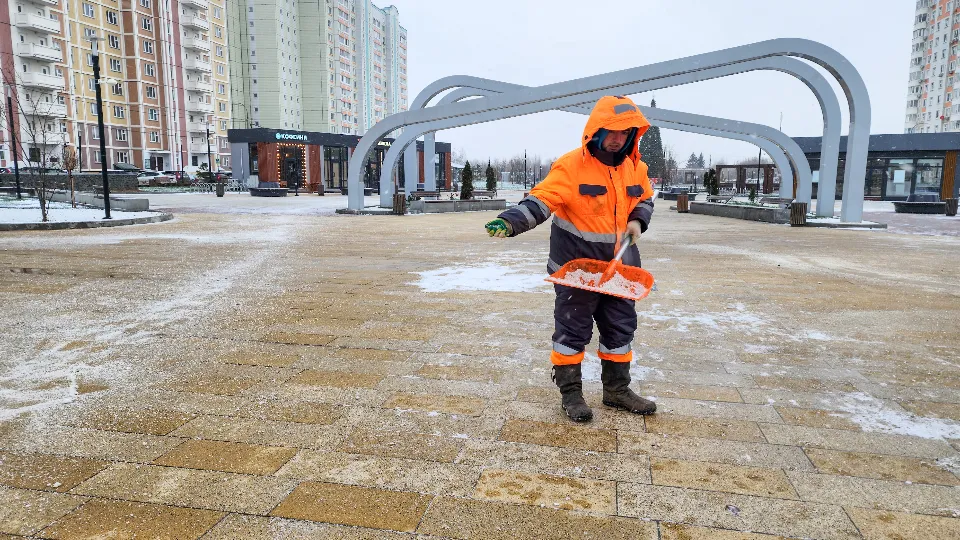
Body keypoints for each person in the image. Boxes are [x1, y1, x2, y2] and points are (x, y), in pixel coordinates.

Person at [485, 95, 656, 423]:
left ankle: (617, 390)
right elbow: (542, 200)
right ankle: (571, 394)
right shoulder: (570, 166)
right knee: (572, 331)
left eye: (626, 132)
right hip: (576, 271)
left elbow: (645, 198)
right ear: (596, 130)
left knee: (620, 330)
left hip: (620, 270)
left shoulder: (637, 168)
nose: (619, 137)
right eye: (612, 131)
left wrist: (639, 219)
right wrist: (510, 221)